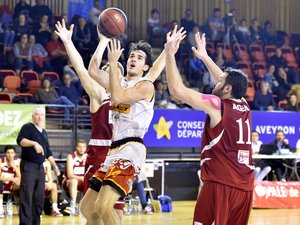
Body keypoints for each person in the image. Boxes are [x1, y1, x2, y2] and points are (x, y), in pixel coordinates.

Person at [55, 19, 168, 224]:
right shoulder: (116, 85)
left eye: (139, 57)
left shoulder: (145, 85)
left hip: (131, 148)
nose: (133, 58)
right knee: (88, 207)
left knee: (105, 206)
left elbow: (149, 73)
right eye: (131, 55)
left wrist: (168, 51)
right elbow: (90, 71)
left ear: (145, 67)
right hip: (112, 151)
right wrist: (103, 42)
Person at [164, 31, 254, 225]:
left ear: (228, 88)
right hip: (245, 189)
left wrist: (169, 54)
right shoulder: (244, 104)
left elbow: (176, 91)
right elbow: (225, 78)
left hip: (221, 185)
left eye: (219, 82)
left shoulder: (217, 105)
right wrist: (204, 57)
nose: (215, 82)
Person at [16, 107, 60, 225]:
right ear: (33, 116)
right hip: (28, 166)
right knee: (26, 197)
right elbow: (20, 140)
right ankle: (25, 223)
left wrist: (55, 166)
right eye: (37, 114)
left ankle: (36, 222)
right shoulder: (28, 127)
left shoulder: (44, 132)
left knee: (39, 198)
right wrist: (34, 143)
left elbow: (48, 151)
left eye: (41, 114)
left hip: (41, 168)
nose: (39, 117)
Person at [62, 139, 87, 215]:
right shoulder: (71, 156)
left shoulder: (87, 157)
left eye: (83, 147)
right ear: (76, 147)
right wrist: (81, 178)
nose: (82, 149)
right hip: (69, 181)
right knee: (74, 181)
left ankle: (84, 206)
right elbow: (69, 175)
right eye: (79, 147)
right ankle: (73, 205)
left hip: (82, 181)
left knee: (91, 183)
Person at [0, 145, 21, 217]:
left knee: (23, 184)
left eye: (12, 153)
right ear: (5, 153)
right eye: (8, 153)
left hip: (12, 185)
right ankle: (0, 209)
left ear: (14, 154)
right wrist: (12, 179)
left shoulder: (18, 161)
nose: (10, 155)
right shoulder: (1, 161)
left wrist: (14, 166)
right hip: (2, 183)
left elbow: (20, 176)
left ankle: (24, 208)